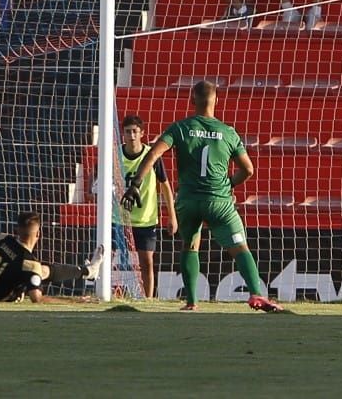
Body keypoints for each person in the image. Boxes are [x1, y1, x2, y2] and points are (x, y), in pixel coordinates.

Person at [121, 81, 283, 313]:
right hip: (219, 201)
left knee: (190, 247)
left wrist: (136, 183)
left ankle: (192, 302)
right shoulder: (228, 132)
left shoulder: (180, 128)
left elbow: (154, 153)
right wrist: (229, 184)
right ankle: (256, 293)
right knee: (240, 247)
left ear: (191, 100)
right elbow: (248, 169)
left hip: (188, 202)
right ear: (216, 101)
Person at [0, 198, 103, 303]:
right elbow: (37, 298)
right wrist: (75, 302)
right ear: (38, 234)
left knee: (43, 270)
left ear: (16, 230)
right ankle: (88, 271)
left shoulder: (5, 240)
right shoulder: (29, 263)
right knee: (35, 270)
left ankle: (88, 271)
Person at [120, 115, 177, 299]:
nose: (132, 135)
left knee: (147, 262)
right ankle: (111, 294)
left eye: (135, 131)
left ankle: (148, 299)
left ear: (142, 133)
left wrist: (172, 216)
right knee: (115, 262)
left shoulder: (151, 156)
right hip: (120, 219)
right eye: (128, 131)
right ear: (123, 134)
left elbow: (165, 186)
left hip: (146, 219)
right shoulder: (115, 155)